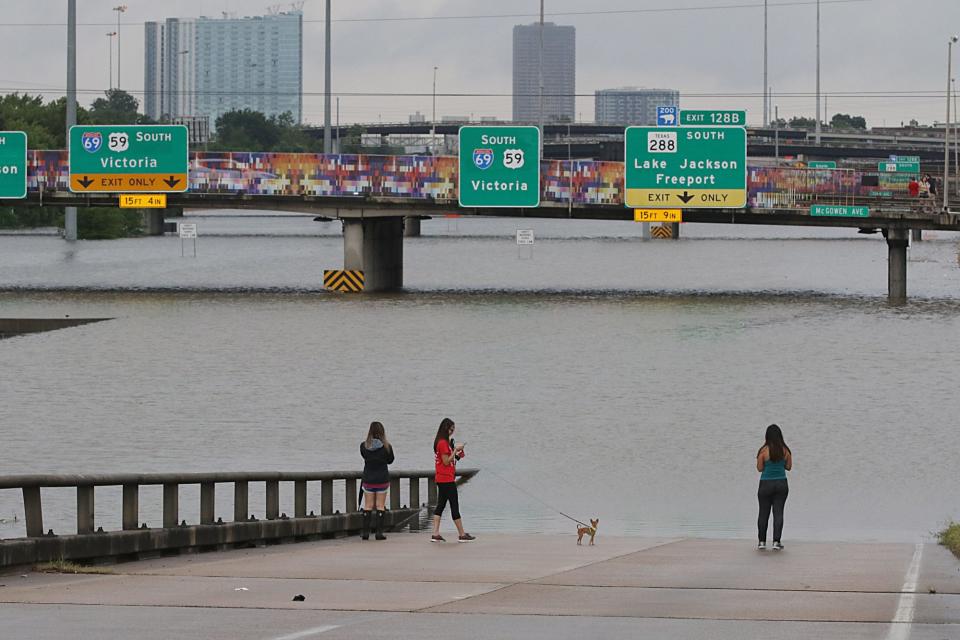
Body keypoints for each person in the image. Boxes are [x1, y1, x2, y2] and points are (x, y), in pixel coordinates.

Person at [431, 417, 475, 543]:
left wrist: (458, 453)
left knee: (441, 505)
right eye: (451, 429)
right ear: (445, 428)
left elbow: (450, 458)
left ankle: (435, 533)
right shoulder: (443, 443)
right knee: (454, 505)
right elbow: (445, 461)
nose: (452, 432)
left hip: (442, 478)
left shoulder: (443, 442)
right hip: (446, 480)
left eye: (453, 429)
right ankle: (461, 534)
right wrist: (455, 449)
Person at [756, 424, 792, 551]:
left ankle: (762, 542)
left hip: (766, 484)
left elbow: (760, 468)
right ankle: (776, 541)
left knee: (763, 513)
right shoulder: (785, 450)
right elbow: (788, 467)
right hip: (781, 484)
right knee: (778, 513)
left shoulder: (763, 451)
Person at [360, 421, 394, 541]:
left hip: (368, 479)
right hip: (382, 479)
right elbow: (391, 460)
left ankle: (365, 533)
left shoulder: (363, 446)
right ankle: (379, 533)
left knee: (368, 505)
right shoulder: (387, 447)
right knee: (380, 505)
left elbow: (364, 456)